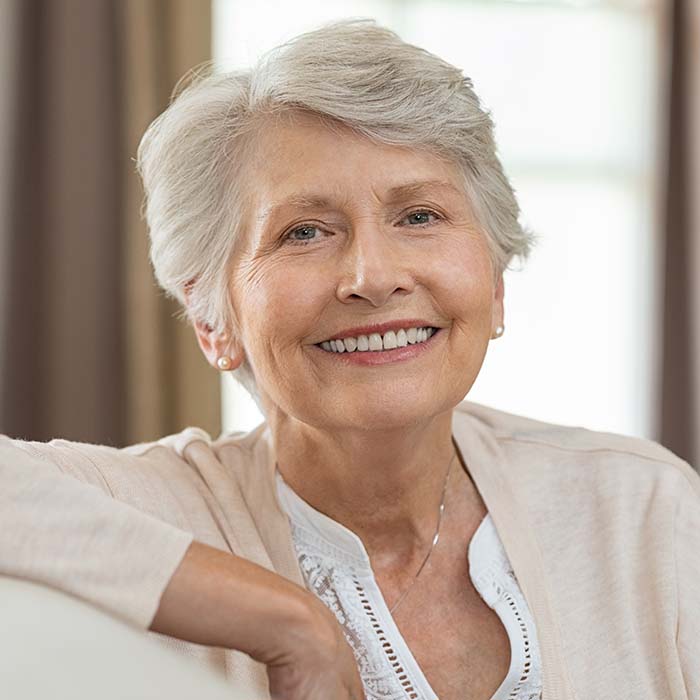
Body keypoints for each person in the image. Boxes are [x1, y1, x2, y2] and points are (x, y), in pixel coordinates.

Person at [1, 18, 698, 700]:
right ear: (214, 322)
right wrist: (287, 622)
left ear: (494, 282)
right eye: (304, 231)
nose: (373, 274)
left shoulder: (641, 512)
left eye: (419, 216)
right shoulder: (155, 511)